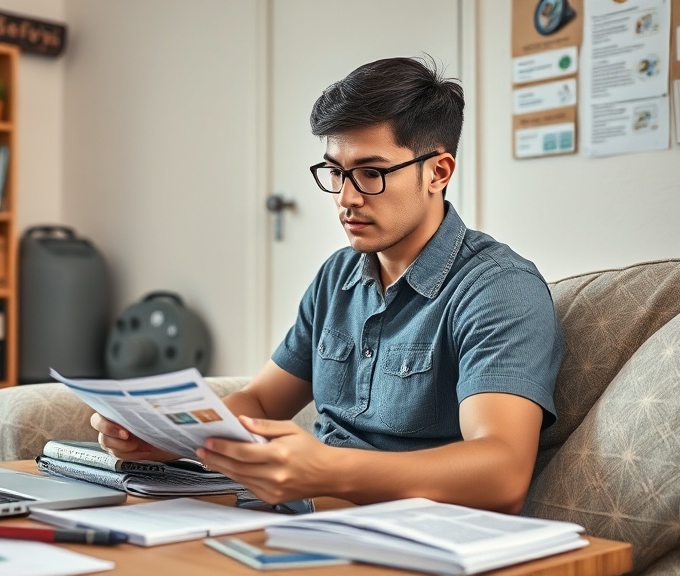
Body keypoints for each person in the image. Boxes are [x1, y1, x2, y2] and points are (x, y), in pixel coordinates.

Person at [91, 56, 563, 513]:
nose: (345, 198)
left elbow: (502, 471)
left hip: (405, 531)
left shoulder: (498, 288)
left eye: (370, 173)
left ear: (438, 172)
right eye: (335, 172)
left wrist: (330, 470)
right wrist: (171, 434)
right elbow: (260, 400)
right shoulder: (338, 275)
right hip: (299, 513)